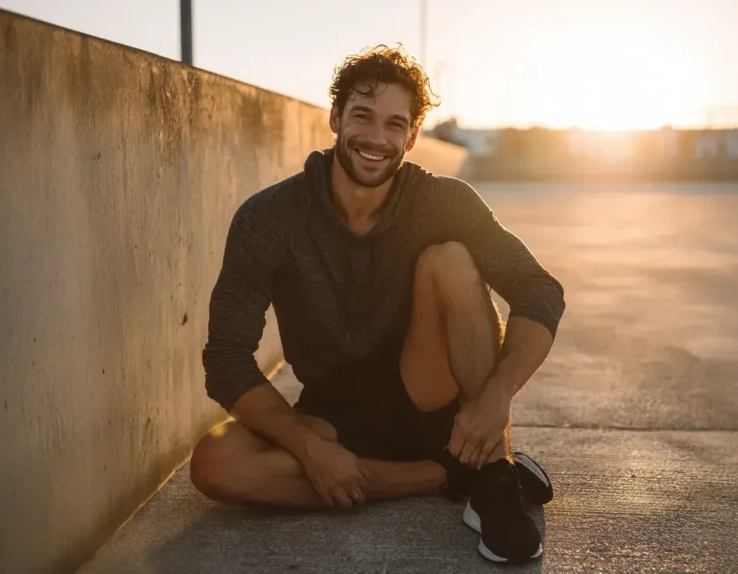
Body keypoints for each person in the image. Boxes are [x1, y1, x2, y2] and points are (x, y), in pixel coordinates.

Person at [190, 44, 566, 565]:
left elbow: (538, 287)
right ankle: (452, 474)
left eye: (395, 124)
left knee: (451, 260)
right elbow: (225, 360)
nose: (376, 138)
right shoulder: (269, 218)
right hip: (332, 414)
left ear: (412, 137)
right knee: (214, 463)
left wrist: (497, 395)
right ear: (335, 118)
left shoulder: (443, 200)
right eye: (362, 117)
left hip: (429, 396)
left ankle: (495, 477)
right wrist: (309, 447)